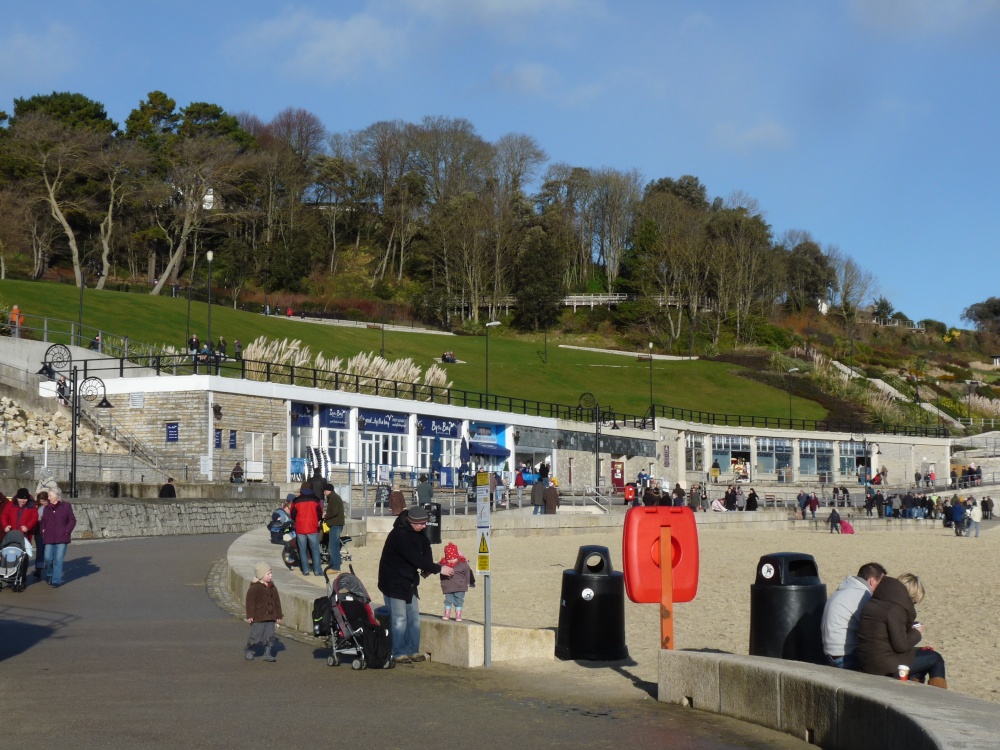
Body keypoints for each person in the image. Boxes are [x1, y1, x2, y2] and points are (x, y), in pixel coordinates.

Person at [377, 506, 453, 664]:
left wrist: (427, 568)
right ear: (412, 522)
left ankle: (412, 650)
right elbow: (413, 558)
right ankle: (398, 652)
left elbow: (426, 549)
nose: (425, 526)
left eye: (426, 523)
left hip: (409, 580)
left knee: (413, 618)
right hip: (393, 581)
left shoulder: (420, 533)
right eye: (422, 523)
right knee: (399, 618)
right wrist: (439, 569)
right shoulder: (399, 535)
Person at [857, 572, 946, 688]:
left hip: (868, 661)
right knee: (935, 658)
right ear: (910, 596)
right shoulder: (896, 609)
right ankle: (939, 698)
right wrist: (917, 632)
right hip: (883, 666)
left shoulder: (878, 600)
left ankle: (913, 689)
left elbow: (885, 638)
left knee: (923, 656)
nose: (913, 605)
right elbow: (901, 646)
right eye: (913, 602)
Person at [821, 562, 887, 669]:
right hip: (845, 657)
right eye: (880, 583)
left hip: (830, 653)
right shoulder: (862, 594)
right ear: (872, 581)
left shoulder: (845, 588)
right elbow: (871, 627)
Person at [245, 562, 283, 662]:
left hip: (270, 617)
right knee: (256, 635)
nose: (271, 575)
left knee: (270, 635)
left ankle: (268, 652)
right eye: (268, 574)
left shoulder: (273, 588)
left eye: (271, 573)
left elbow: (277, 602)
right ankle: (250, 648)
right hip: (258, 617)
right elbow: (250, 603)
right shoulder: (254, 588)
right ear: (261, 576)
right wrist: (250, 615)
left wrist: (279, 615)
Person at [39, 489, 75, 588]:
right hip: (49, 537)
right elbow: (43, 521)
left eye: (50, 495)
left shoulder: (66, 506)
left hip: (62, 537)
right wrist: (43, 529)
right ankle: (49, 574)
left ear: (57, 495)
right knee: (47, 559)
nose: (48, 498)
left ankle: (56, 580)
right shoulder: (47, 508)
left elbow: (72, 520)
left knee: (58, 560)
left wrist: (67, 530)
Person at [291, 482, 323, 576]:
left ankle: (306, 570)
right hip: (312, 527)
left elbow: (293, 514)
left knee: (302, 550)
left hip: (300, 528)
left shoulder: (296, 500)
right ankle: (317, 571)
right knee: (315, 550)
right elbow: (320, 513)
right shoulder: (316, 500)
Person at [439, 542, 474, 622]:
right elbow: (434, 568)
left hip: (460, 586)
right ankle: (447, 613)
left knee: (459, 600)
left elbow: (468, 573)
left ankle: (458, 615)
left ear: (457, 556)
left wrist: (469, 583)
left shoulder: (463, 564)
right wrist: (425, 573)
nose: (451, 561)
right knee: (448, 600)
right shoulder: (443, 563)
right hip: (447, 587)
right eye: (449, 559)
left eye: (453, 558)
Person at [1, 488, 39, 560]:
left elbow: (34, 518)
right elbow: (4, 516)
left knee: (23, 554)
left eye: (25, 499)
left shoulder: (32, 506)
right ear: (17, 498)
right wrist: (5, 525)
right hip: (11, 533)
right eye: (20, 499)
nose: (22, 501)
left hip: (25, 534)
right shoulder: (10, 504)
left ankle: (22, 569)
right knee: (10, 553)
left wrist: (27, 526)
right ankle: (11, 569)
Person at [322, 483, 345, 572]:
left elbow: (334, 512)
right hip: (337, 524)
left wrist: (325, 516)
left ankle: (335, 567)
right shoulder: (334, 497)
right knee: (334, 546)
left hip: (335, 525)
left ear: (328, 491)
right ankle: (334, 564)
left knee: (332, 547)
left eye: (325, 491)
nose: (324, 493)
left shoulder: (334, 498)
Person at [33, 491, 48, 579]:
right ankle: (38, 568)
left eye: (44, 500)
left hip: (48, 530)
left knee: (48, 550)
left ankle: (48, 567)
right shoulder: (37, 506)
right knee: (40, 550)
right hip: (38, 529)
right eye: (41, 500)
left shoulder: (50, 507)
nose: (43, 502)